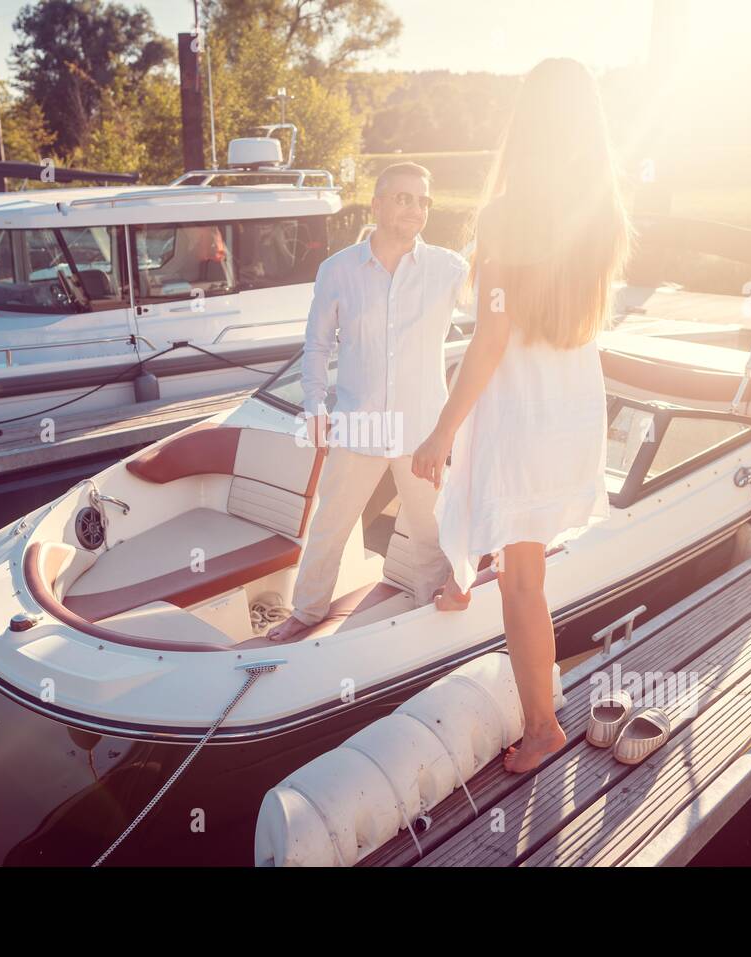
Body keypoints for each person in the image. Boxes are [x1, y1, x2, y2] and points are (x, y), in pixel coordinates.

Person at [410, 58, 632, 773]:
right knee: (524, 563)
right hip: (571, 398)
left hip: (524, 407)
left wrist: (444, 427)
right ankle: (534, 678)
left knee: (523, 579)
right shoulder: (602, 211)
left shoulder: (508, 213)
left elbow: (494, 332)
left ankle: (543, 727)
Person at [266, 162, 468, 642]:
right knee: (330, 526)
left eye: (423, 200)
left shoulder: (450, 269)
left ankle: (430, 620)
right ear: (376, 205)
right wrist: (315, 408)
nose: (415, 209)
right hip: (359, 427)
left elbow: (502, 319)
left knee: (427, 533)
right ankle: (307, 614)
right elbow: (316, 347)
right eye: (403, 198)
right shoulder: (337, 271)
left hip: (422, 431)